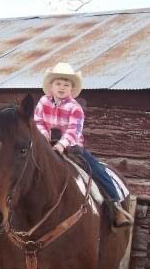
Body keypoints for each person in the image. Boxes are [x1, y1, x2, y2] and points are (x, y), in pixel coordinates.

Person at [34, 62, 132, 227]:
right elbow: (38, 121)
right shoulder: (43, 102)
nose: (62, 87)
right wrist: (44, 137)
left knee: (98, 170)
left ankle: (115, 206)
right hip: (46, 146)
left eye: (66, 84)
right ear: (51, 86)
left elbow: (74, 131)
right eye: (58, 83)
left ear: (71, 88)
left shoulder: (75, 108)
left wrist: (61, 145)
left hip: (72, 148)